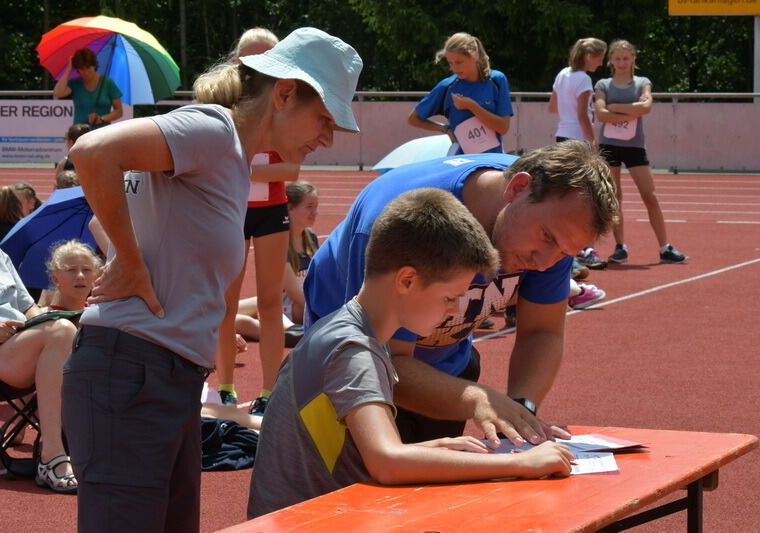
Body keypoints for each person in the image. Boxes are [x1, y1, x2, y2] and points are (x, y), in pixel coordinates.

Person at [62, 27, 362, 533]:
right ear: (284, 93)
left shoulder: (232, 156)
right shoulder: (213, 130)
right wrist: (129, 260)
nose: (327, 137)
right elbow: (91, 150)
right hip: (132, 371)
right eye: (325, 118)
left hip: (162, 376)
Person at [248, 188, 575, 518]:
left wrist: (426, 450)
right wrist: (518, 463)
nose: (455, 312)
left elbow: (363, 455)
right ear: (406, 280)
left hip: (308, 515)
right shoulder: (354, 350)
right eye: (450, 297)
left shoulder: (344, 330)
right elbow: (387, 462)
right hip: (306, 522)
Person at [304, 140, 619, 447]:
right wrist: (479, 399)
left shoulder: (554, 225)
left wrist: (521, 410)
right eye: (547, 238)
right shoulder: (407, 222)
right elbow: (385, 365)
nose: (544, 263)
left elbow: (542, 331)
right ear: (518, 188)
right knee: (354, 484)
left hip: (443, 364)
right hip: (352, 370)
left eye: (566, 253)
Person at [0, 174, 79, 493]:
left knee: (76, 328)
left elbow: (27, 306)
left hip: (19, 342)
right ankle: (54, 453)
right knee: (61, 333)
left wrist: (43, 317)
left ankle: (79, 442)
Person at [205, 27, 302, 415]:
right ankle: (224, 386)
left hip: (270, 212)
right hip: (231, 210)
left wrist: (243, 166)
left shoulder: (287, 102)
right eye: (250, 58)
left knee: (267, 302)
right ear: (236, 62)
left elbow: (292, 169)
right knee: (225, 303)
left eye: (267, 58)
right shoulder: (223, 101)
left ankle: (269, 389)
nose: (258, 66)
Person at [594, 39, 688, 265]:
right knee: (615, 197)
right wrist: (630, 112)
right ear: (611, 61)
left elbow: (646, 107)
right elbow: (601, 114)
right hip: (609, 145)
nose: (622, 62)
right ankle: (620, 246)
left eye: (626, 58)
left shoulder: (642, 83)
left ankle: (665, 247)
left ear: (633, 59)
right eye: (618, 58)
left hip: (634, 145)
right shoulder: (603, 84)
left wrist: (615, 108)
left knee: (650, 195)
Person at [549, 37, 609, 270]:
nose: (601, 62)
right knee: (585, 196)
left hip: (562, 135)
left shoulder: (563, 74)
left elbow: (552, 106)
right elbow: (583, 114)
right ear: (588, 56)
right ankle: (583, 249)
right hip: (578, 138)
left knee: (563, 192)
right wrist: (593, 143)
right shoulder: (583, 79)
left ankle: (566, 247)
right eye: (599, 57)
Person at [235, 180, 319, 344]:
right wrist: (322, 310)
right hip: (284, 306)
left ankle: (216, 318)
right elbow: (295, 293)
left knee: (229, 313)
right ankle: (289, 332)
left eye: (316, 206)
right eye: (309, 206)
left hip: (296, 305)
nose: (315, 212)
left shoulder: (311, 238)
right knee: (234, 317)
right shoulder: (279, 241)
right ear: (290, 208)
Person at [408, 32, 513, 155]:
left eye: (458, 62)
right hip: (459, 159)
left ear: (474, 56)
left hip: (493, 157)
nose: (454, 68)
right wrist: (445, 129)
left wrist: (471, 106)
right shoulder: (447, 86)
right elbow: (413, 119)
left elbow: (503, 127)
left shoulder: (497, 80)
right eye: (450, 63)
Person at [52, 48, 123, 128]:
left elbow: (119, 111)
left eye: (88, 67)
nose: (86, 72)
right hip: (79, 133)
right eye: (82, 69)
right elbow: (58, 93)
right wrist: (69, 70)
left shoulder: (108, 83)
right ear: (77, 69)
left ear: (94, 65)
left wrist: (102, 118)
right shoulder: (75, 83)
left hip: (103, 134)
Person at [43, 240, 101, 311]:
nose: (80, 276)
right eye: (71, 270)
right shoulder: (44, 319)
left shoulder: (101, 314)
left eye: (86, 269)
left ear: (94, 277)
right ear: (56, 280)